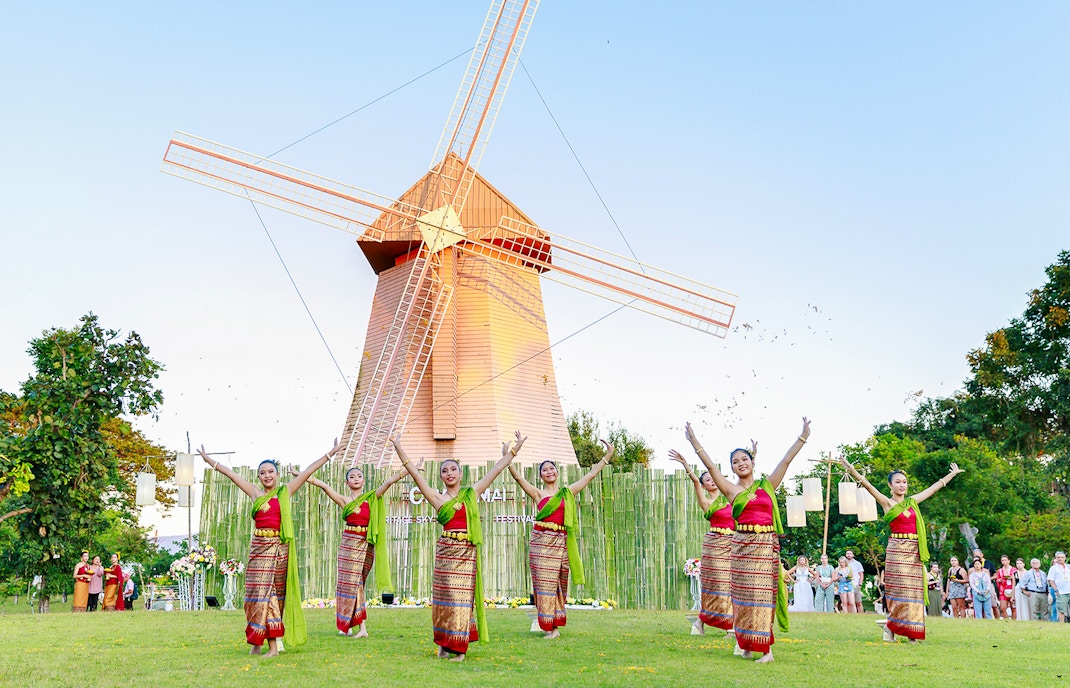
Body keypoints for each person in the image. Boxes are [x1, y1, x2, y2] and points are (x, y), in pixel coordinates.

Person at [687, 417, 811, 663]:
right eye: (735, 462)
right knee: (742, 599)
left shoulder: (767, 485)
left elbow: (786, 460)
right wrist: (694, 442)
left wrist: (803, 437)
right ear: (732, 469)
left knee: (761, 598)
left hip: (764, 547)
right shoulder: (730, 490)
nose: (741, 463)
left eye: (744, 459)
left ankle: (766, 651)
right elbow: (710, 466)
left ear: (753, 462)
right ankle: (746, 645)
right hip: (741, 548)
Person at [198, 439, 339, 656]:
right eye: (262, 473)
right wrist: (210, 461)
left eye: (271, 472)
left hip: (278, 550)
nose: (267, 476)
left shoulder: (285, 491)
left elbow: (308, 471)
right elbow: (232, 475)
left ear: (277, 474)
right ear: (258, 477)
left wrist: (330, 453)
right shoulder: (255, 493)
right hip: (258, 549)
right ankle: (256, 643)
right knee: (254, 595)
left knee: (272, 595)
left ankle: (272, 647)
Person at [394, 431, 526, 662]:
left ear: (460, 473)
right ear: (441, 477)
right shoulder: (437, 498)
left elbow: (495, 470)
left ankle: (460, 648)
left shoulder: (471, 493)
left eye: (453, 469)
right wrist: (398, 446)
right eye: (445, 471)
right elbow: (415, 474)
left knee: (461, 601)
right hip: (446, 552)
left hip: (466, 553)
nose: (449, 473)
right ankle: (444, 645)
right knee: (443, 601)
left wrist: (514, 450)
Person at [840, 458, 962, 640]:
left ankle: (912, 633)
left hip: (914, 551)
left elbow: (933, 489)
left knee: (914, 592)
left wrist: (951, 475)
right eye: (897, 482)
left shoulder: (912, 501)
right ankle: (891, 626)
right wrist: (851, 469)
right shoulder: (887, 503)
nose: (902, 485)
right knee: (898, 592)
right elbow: (867, 485)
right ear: (890, 485)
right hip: (896, 551)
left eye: (904, 482)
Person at [510, 440, 613, 639]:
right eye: (545, 470)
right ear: (540, 476)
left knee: (559, 584)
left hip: (560, 543)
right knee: (544, 585)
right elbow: (517, 477)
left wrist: (607, 456)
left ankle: (554, 625)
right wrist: (510, 455)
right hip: (541, 544)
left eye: (552, 468)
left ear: (557, 472)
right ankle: (549, 627)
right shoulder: (538, 494)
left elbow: (590, 476)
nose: (549, 472)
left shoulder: (567, 492)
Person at [302, 461, 412, 638]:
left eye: (359, 476)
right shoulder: (344, 500)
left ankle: (352, 625)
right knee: (350, 585)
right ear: (346, 482)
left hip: (366, 544)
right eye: (352, 477)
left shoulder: (371, 498)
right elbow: (324, 486)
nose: (356, 479)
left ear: (364, 480)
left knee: (359, 583)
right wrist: (303, 476)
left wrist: (408, 470)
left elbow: (388, 482)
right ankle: (359, 628)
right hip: (349, 544)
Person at [668, 442, 752, 636]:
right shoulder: (706, 502)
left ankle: (708, 623)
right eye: (707, 479)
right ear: (704, 484)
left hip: (733, 544)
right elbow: (695, 482)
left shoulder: (730, 497)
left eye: (713, 478)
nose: (712, 481)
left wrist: (753, 455)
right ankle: (717, 624)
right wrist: (686, 465)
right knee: (719, 585)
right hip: (715, 545)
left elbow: (743, 484)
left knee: (733, 585)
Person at [1047, 551, 1070, 623]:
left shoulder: (1068, 566)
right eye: (1058, 557)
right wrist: (1056, 590)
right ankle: (1061, 624)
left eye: (1062, 557)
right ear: (1056, 558)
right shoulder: (1053, 568)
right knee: (1061, 609)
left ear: (1065, 558)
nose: (1060, 559)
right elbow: (1050, 580)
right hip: (1061, 592)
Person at [994, 555, 1017, 621]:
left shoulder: (1014, 570)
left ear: (1008, 561)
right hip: (1003, 590)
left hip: (1012, 589)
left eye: (1005, 560)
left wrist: (1012, 578)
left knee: (1013, 608)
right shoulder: (1000, 571)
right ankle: (1006, 620)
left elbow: (1017, 580)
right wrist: (1000, 580)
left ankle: (1014, 620)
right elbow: (997, 580)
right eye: (1002, 560)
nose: (1004, 562)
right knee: (1003, 608)